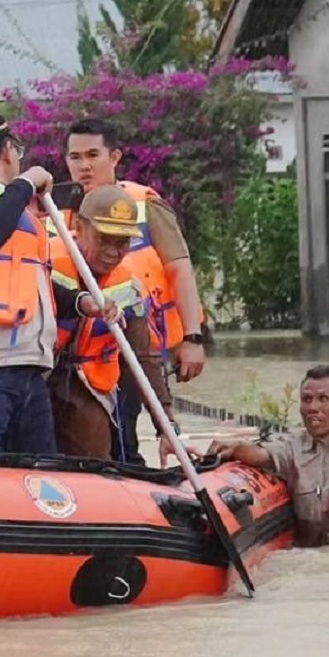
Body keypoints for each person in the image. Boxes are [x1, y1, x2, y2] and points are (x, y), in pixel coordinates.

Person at [0, 107, 118, 454]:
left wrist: (80, 302)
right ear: (5, 150)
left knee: (39, 476)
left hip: (25, 370)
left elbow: (31, 281)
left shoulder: (9, 205)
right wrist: (25, 183)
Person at [63, 118, 206, 463]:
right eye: (75, 157)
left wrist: (192, 338)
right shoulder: (61, 212)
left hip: (140, 342)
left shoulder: (144, 203)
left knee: (126, 430)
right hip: (81, 355)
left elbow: (180, 269)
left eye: (93, 155)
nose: (83, 166)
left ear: (114, 158)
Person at [48, 186, 183, 465]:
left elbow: (143, 358)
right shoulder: (45, 262)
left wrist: (166, 426)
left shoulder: (128, 289)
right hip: (39, 379)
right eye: (104, 239)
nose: (113, 251)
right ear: (79, 228)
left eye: (122, 243)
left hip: (87, 387)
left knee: (98, 459)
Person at [208, 365, 329, 546]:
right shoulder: (291, 447)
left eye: (323, 399)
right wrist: (236, 447)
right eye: (307, 399)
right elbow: (262, 455)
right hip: (309, 558)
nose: (313, 407)